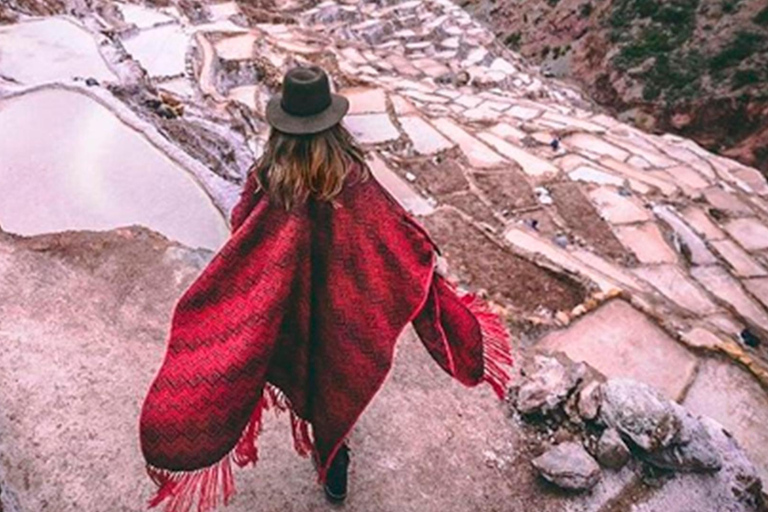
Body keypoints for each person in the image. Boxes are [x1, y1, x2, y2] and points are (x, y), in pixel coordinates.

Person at [139, 66, 513, 512]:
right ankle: (334, 459)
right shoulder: (352, 179)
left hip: (284, 309)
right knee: (335, 377)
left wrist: (263, 275)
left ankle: (327, 445)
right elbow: (393, 234)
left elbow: (243, 230)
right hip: (343, 310)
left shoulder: (270, 179)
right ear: (333, 125)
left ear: (282, 127)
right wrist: (423, 259)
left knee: (301, 366)